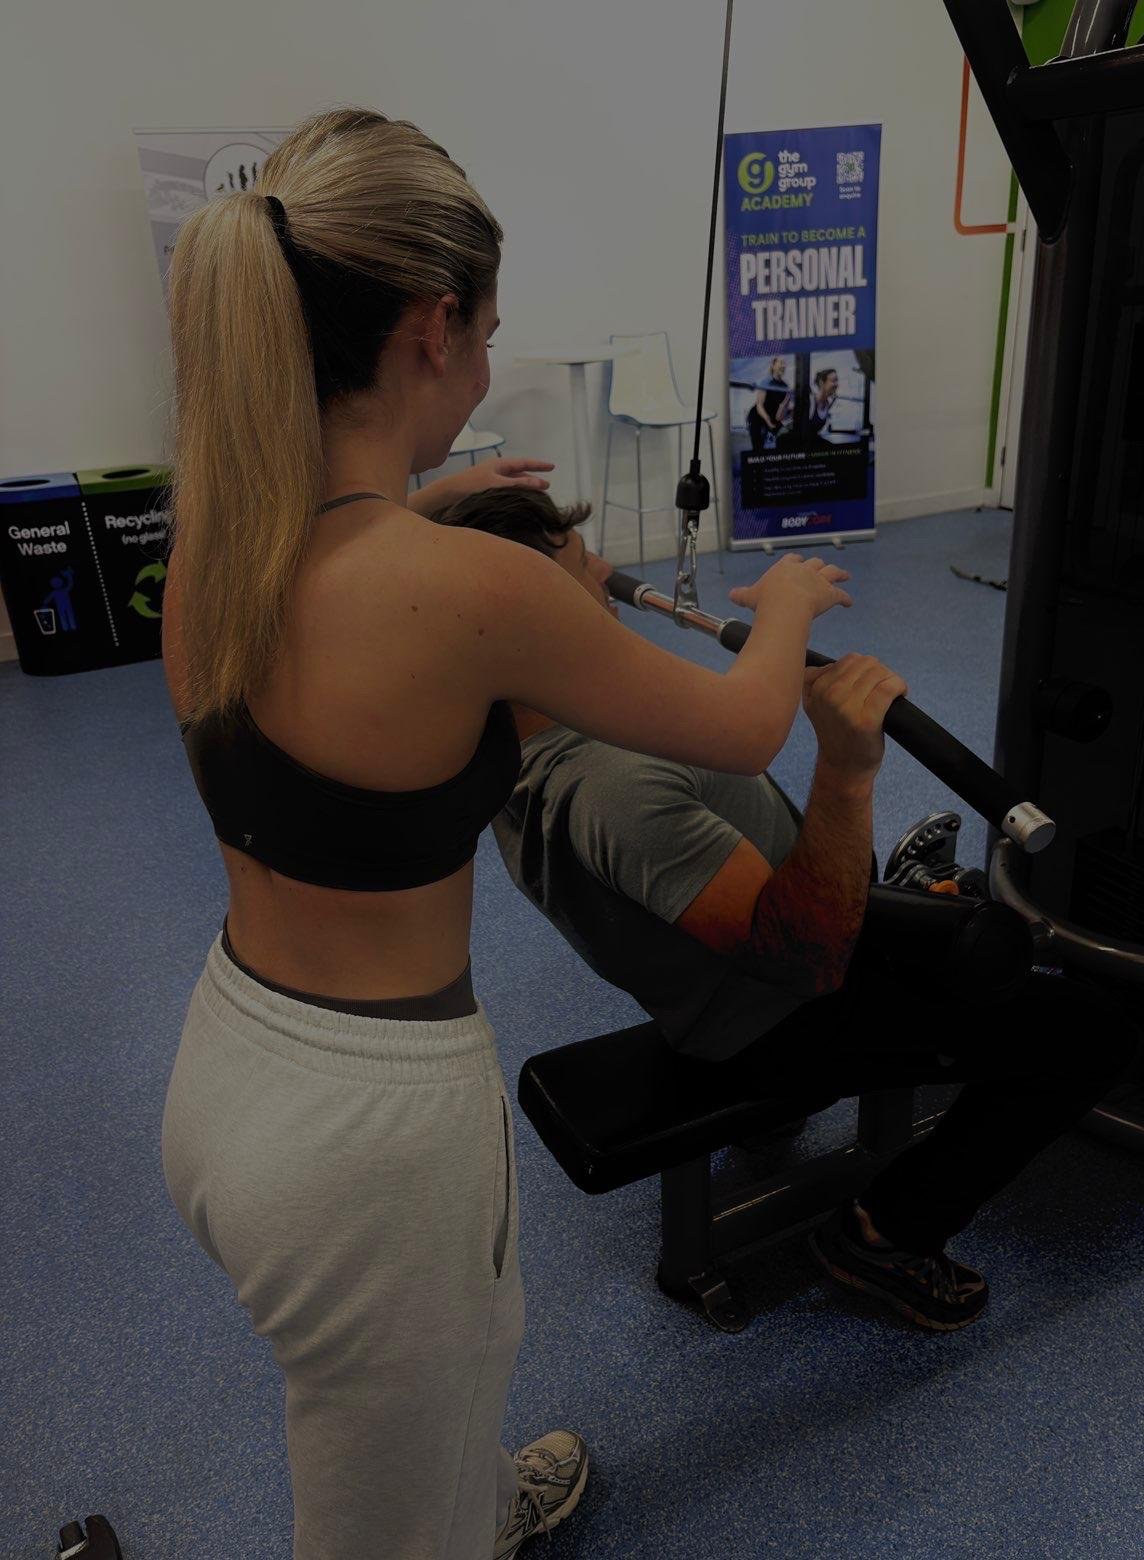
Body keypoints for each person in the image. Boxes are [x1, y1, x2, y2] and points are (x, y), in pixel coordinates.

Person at [157, 107, 851, 1559]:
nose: (481, 362)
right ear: (429, 330)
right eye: (483, 332)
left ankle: (462, 1502)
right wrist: (779, 614)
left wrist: (428, 499)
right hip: (368, 1141)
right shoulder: (473, 596)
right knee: (378, 1525)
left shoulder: (223, 533)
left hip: (233, 1065)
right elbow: (741, 726)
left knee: (406, 1412)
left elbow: (355, 566)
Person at [433, 486, 1141, 1334]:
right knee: (1093, 1030)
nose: (610, 580)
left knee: (910, 909)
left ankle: (902, 896)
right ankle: (884, 1236)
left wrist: (446, 507)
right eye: (585, 567)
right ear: (539, 616)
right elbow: (806, 955)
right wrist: (846, 764)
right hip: (789, 1004)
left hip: (745, 961)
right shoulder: (610, 787)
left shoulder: (513, 718)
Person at [745, 355, 792, 450]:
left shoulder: (785, 386)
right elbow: (759, 405)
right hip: (758, 415)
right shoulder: (766, 381)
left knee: (786, 438)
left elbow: (781, 411)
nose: (783, 365)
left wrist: (787, 404)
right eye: (781, 363)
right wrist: (768, 421)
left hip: (773, 417)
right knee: (758, 446)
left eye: (784, 364)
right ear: (773, 365)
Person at [801, 366, 839, 442]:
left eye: (837, 381)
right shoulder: (810, 401)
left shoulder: (827, 404)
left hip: (811, 441)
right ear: (822, 383)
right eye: (833, 381)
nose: (836, 384)